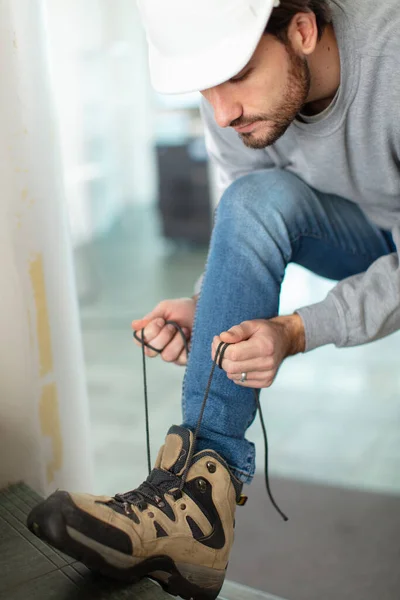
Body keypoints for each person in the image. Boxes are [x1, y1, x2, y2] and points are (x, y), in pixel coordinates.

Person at [27, 1, 400, 599]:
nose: (222, 112)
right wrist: (212, 306)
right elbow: (244, 216)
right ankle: (195, 504)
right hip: (358, 223)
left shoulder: (392, 57)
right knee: (253, 198)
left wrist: (301, 328)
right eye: (205, 89)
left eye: (236, 76)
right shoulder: (239, 111)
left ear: (302, 29)